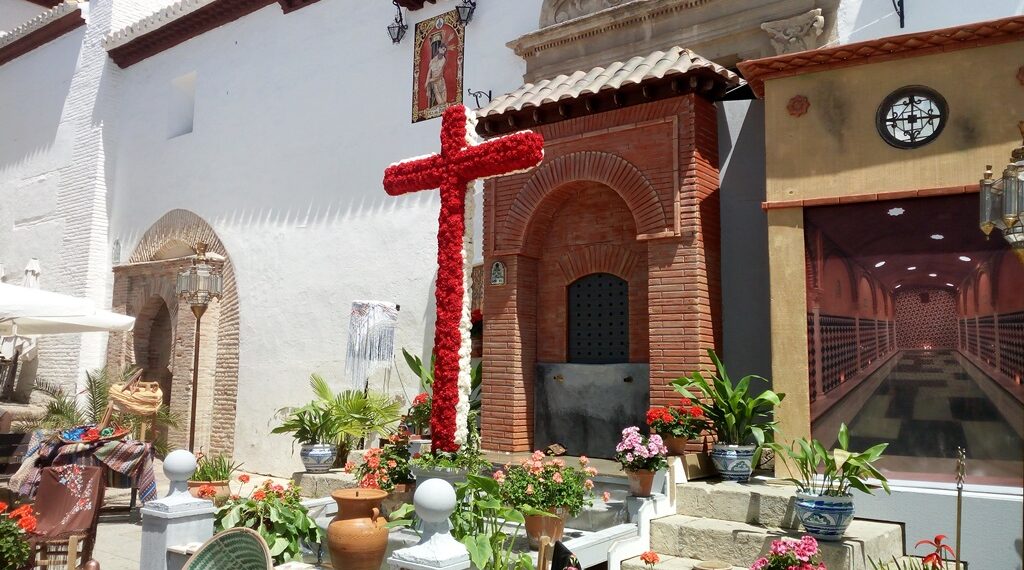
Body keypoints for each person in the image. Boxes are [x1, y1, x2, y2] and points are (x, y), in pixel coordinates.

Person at [426, 42, 448, 108]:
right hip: (434, 82)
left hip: (439, 79)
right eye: (443, 49)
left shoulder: (443, 60)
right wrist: (427, 81)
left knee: (443, 94)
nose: (444, 51)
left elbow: (439, 73)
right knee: (437, 94)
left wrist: (430, 80)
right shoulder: (432, 61)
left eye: (445, 50)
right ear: (439, 49)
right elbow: (429, 71)